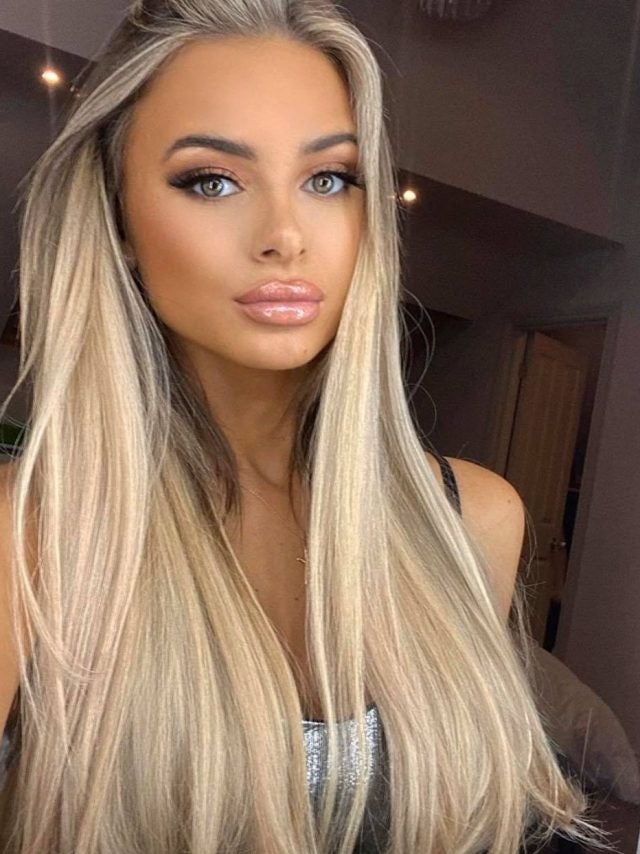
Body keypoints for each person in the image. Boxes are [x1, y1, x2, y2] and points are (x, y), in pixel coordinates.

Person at [0, 1, 610, 851]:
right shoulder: (33, 535)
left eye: (328, 179)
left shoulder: (473, 520)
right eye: (211, 180)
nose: (285, 236)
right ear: (119, 220)